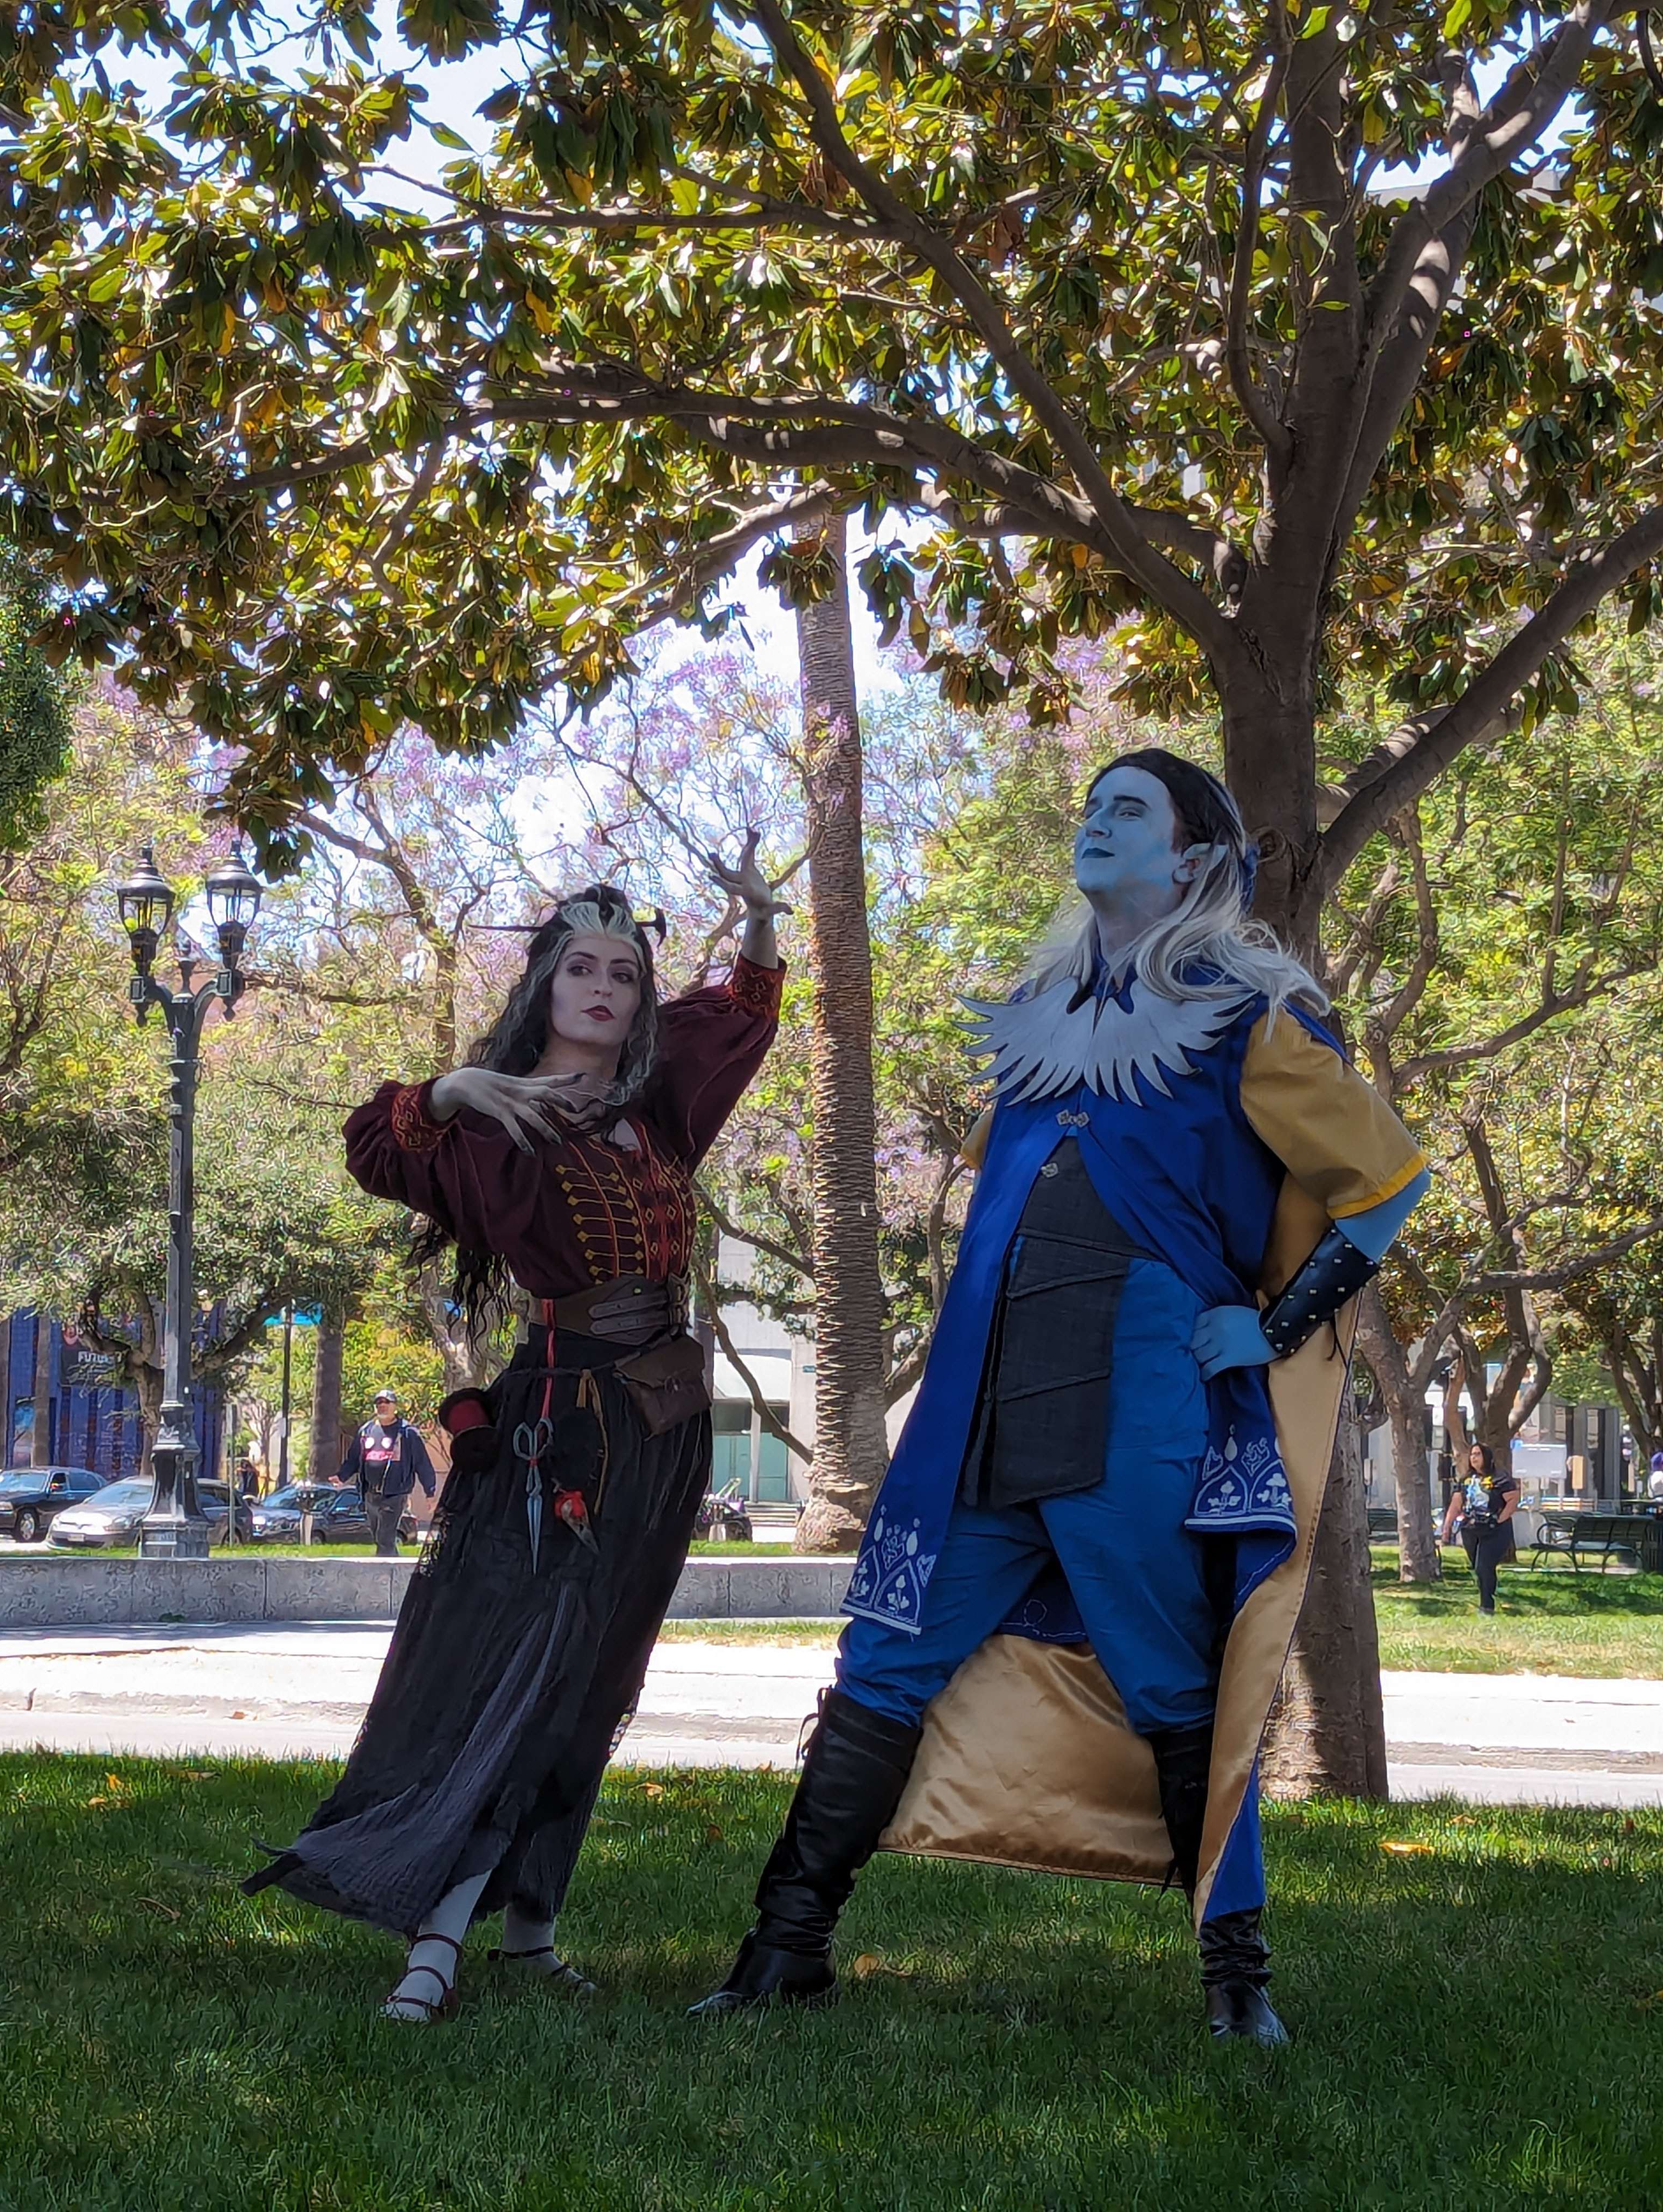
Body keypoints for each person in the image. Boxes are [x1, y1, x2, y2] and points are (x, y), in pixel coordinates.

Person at [691, 749, 1427, 2047]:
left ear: (1195, 855)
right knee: (880, 1657)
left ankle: (1234, 1977)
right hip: (979, 1392)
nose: (1092, 822)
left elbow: (1387, 1181)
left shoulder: (1248, 1014)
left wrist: (1269, 1323)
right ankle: (781, 1947)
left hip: (1139, 1387)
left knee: (1170, 1678)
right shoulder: (1035, 1019)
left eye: (1124, 809)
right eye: (1086, 806)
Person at [244, 857, 784, 2023]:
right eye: (579, 968)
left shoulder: (658, 1112)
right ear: (543, 984)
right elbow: (373, 1146)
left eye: (624, 974)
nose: (602, 988)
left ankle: (532, 1933)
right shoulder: (491, 1122)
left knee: (602, 1679)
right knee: (529, 1674)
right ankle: (436, 1937)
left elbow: (740, 1015)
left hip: (664, 1429)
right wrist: (455, 1092)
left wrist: (759, 916)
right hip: (563, 1423)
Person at [334, 1390, 438, 1555]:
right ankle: (396, 1571)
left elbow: (422, 1463)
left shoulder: (406, 1433)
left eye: (386, 1403)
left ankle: (381, 1574)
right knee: (379, 1536)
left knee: (385, 1537)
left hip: (396, 1494)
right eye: (379, 1403)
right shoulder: (366, 1431)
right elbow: (354, 1459)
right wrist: (341, 1476)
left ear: (395, 1407)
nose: (382, 1406)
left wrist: (430, 1492)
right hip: (371, 1494)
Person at [1440, 1442, 1519, 1613]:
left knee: (1484, 1566)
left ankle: (1487, 1606)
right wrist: (1446, 1529)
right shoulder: (1466, 1479)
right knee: (1478, 1567)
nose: (1474, 1458)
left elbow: (1513, 1500)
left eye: (1478, 1454)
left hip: (1494, 1530)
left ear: (1487, 1457)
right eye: (1472, 1455)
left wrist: (1501, 1519)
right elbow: (1456, 1504)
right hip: (1471, 1529)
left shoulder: (1500, 1478)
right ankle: (1488, 1593)